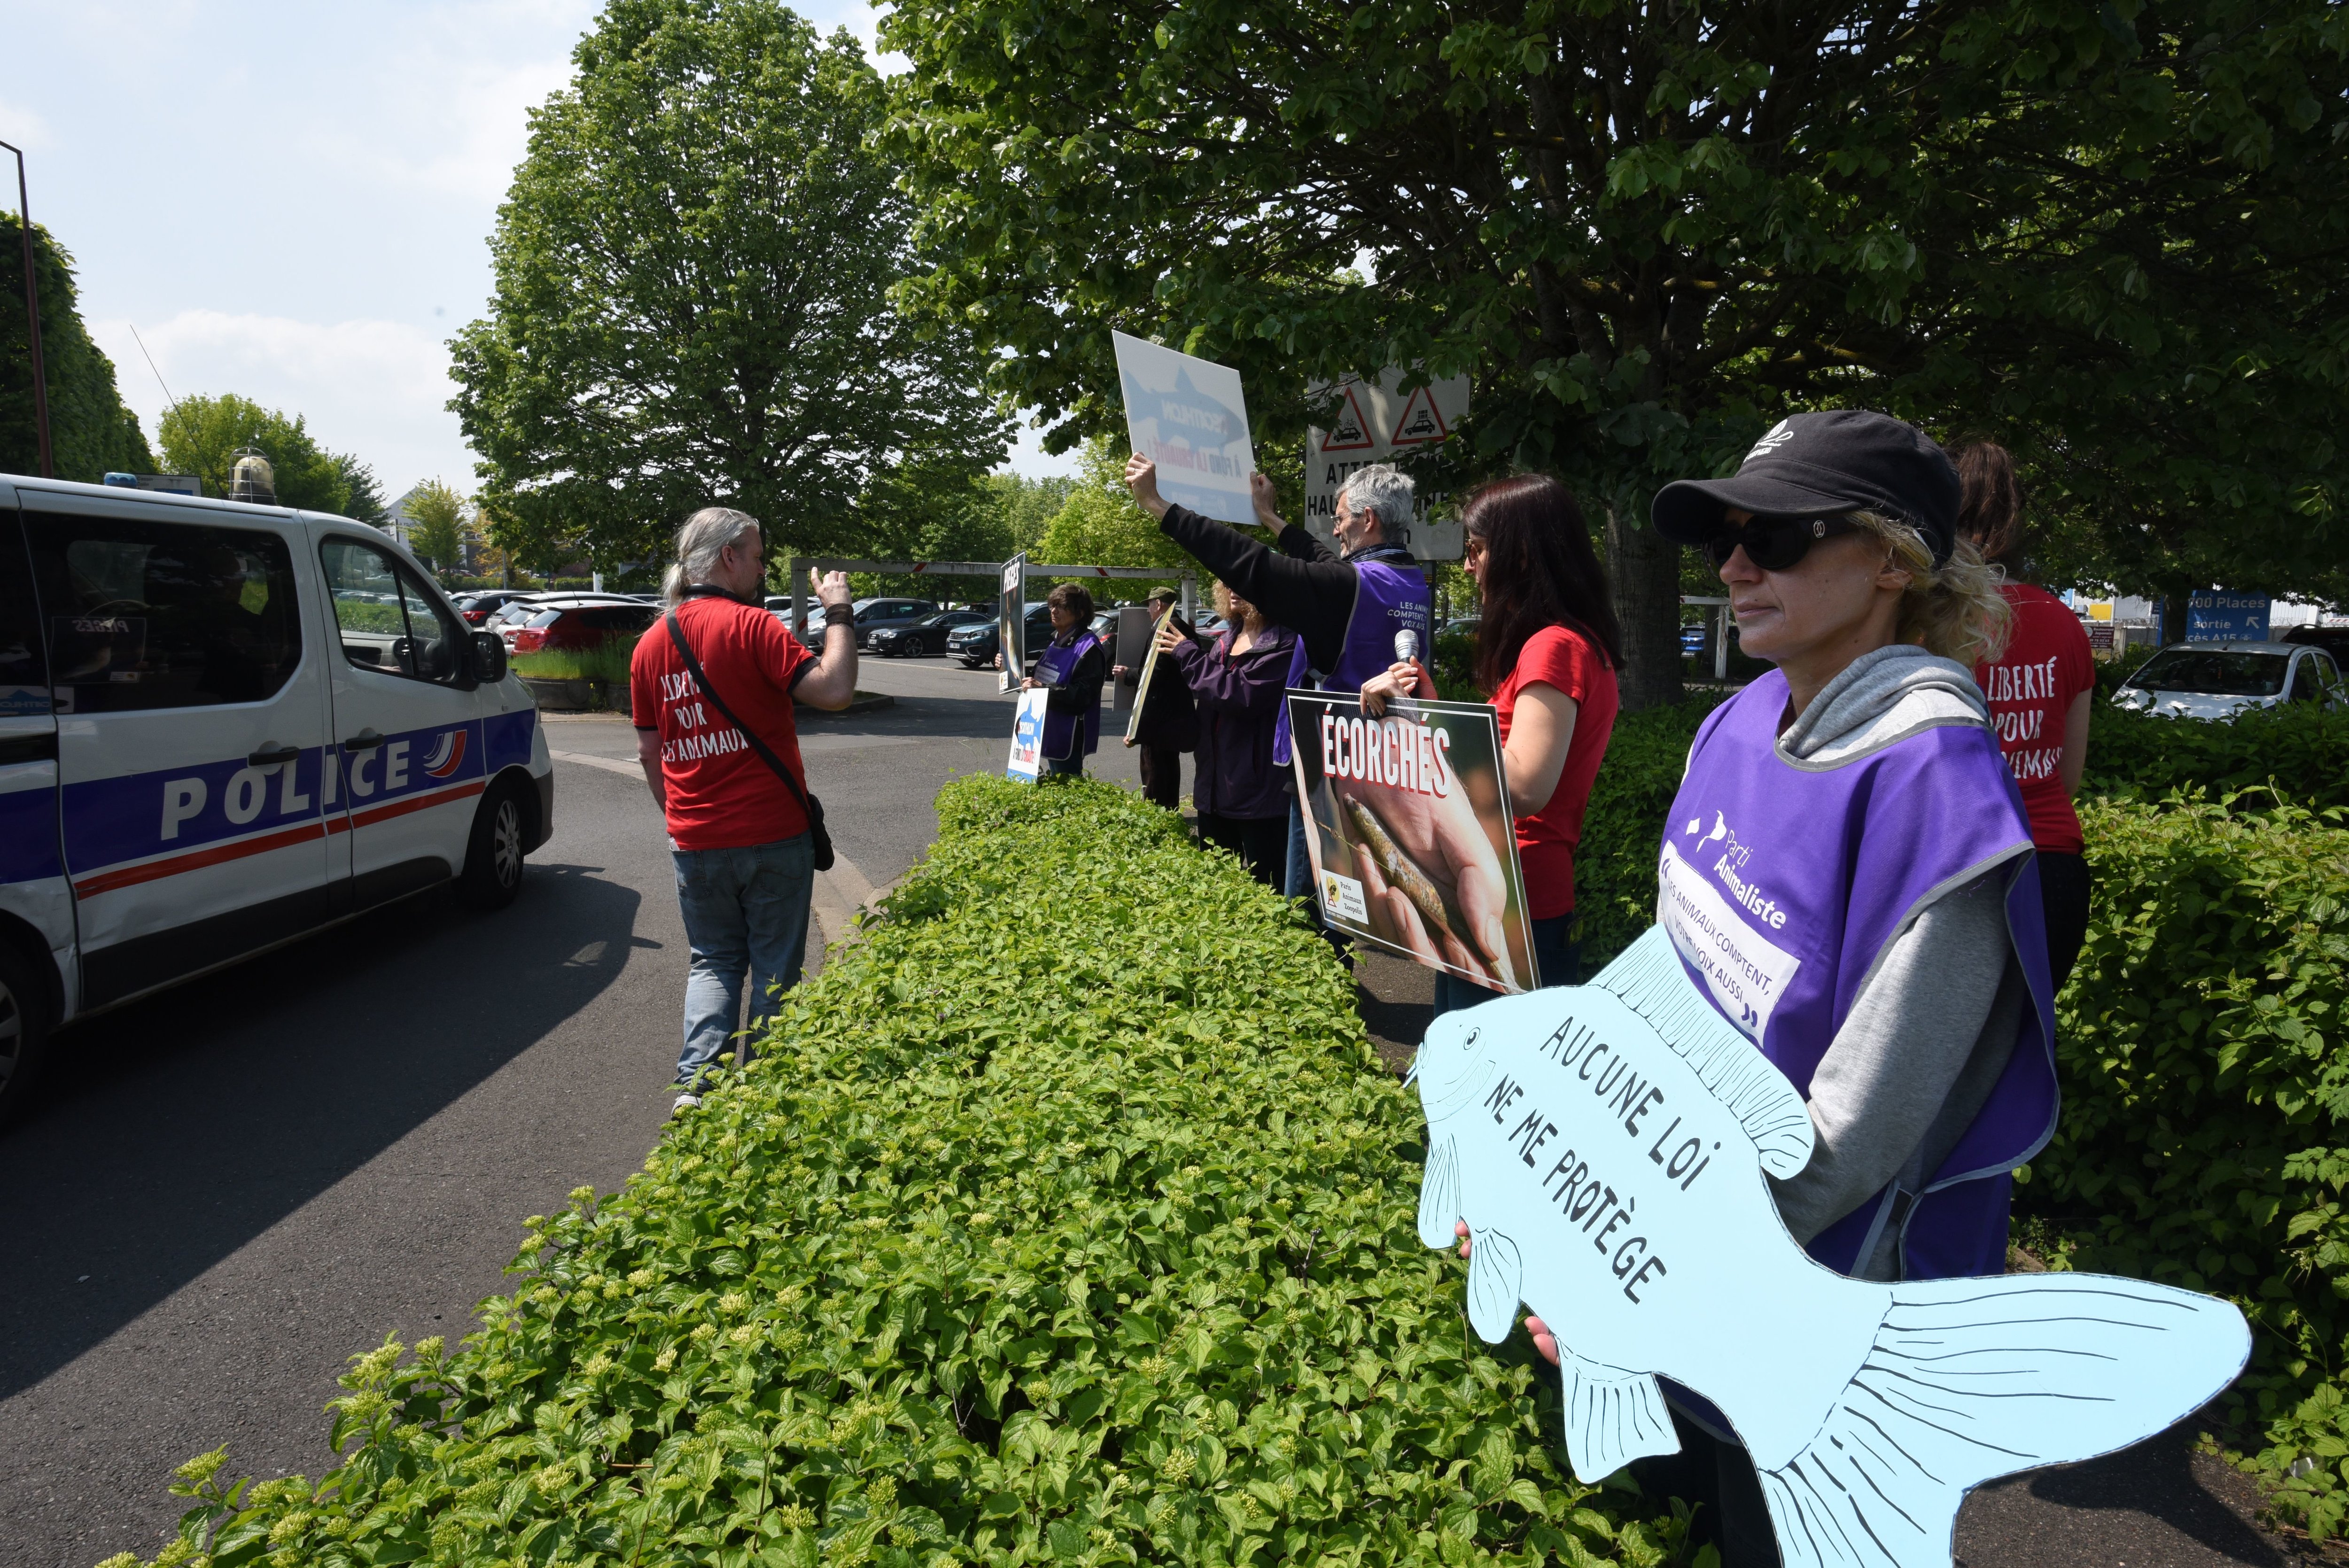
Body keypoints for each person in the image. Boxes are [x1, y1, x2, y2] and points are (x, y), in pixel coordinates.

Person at [1466, 412, 2060, 1567]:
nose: (1735, 566)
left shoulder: (1939, 784)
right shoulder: (1739, 715)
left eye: (1779, 538)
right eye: (1729, 539)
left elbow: (1851, 1134)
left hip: (1809, 1309)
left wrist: (1638, 1278)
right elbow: (1670, 977)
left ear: (1894, 561)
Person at [1123, 455, 1433, 923]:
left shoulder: (1346, 586)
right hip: (1383, 764)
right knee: (1349, 908)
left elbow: (1251, 563)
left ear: (1367, 519)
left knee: (1308, 912)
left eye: (1341, 520)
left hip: (1326, 774)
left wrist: (1157, 504)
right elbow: (1325, 561)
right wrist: (1270, 516)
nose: (1335, 532)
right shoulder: (1409, 583)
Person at [1360, 474, 1621, 1009]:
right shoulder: (1565, 641)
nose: (1467, 565)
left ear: (1520, 554)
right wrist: (1427, 715)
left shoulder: (1553, 647)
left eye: (1477, 549)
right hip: (1501, 884)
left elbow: (1524, 783)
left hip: (1516, 894)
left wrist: (1415, 726)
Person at [631, 507, 857, 1115]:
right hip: (773, 836)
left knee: (713, 962)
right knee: (776, 969)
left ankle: (696, 1090)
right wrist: (837, 608)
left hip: (696, 841)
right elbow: (835, 690)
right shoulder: (754, 628)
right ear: (729, 556)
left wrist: (681, 819)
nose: (761, 568)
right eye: (757, 555)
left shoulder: (652, 644)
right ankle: (762, 1098)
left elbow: (650, 751)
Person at [1952, 440, 2098, 992]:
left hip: (1963, 863)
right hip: (2052, 865)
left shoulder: (1930, 619)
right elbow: (2068, 777)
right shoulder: (2062, 621)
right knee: (2027, 1053)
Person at [1162, 582, 1297, 883]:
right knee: (1217, 885)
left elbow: (1240, 695)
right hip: (1214, 788)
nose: (1233, 590)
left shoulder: (1286, 644)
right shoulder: (1226, 639)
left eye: (1245, 582)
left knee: (1268, 886)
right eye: (1228, 583)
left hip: (1259, 792)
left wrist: (1188, 655)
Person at [1115, 585, 1194, 807]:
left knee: (1155, 773)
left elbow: (1155, 674)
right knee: (1167, 769)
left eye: (1149, 605)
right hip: (1171, 718)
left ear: (1158, 604)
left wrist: (1128, 674)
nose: (1148, 610)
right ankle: (1169, 815)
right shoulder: (1179, 626)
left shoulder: (1167, 627)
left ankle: (1160, 821)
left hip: (1160, 719)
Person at [1022, 582, 1105, 779]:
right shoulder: (1057, 641)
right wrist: (1009, 666)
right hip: (1048, 726)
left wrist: (1043, 690)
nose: (1054, 611)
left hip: (1068, 732)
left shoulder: (1088, 647)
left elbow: (1083, 696)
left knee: (1067, 788)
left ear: (1081, 613)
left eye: (1062, 607)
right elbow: (1038, 676)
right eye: (1053, 605)